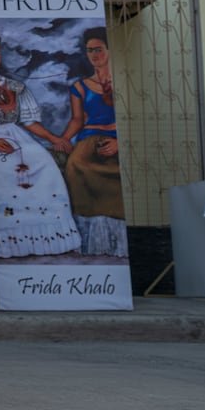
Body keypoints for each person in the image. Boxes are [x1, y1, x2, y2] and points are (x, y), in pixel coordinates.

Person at [0, 29, 80, 258]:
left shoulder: (13, 86)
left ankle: (42, 238)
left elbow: (28, 121)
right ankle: (4, 239)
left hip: (15, 135)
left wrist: (55, 139)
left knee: (42, 160)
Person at [58, 26, 127, 256]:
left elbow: (130, 115)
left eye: (98, 49)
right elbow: (77, 120)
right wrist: (62, 140)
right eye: (89, 50)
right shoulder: (80, 86)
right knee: (74, 166)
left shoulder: (123, 82)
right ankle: (90, 241)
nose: (94, 55)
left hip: (118, 138)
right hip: (89, 141)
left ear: (108, 50)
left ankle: (116, 241)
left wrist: (121, 142)